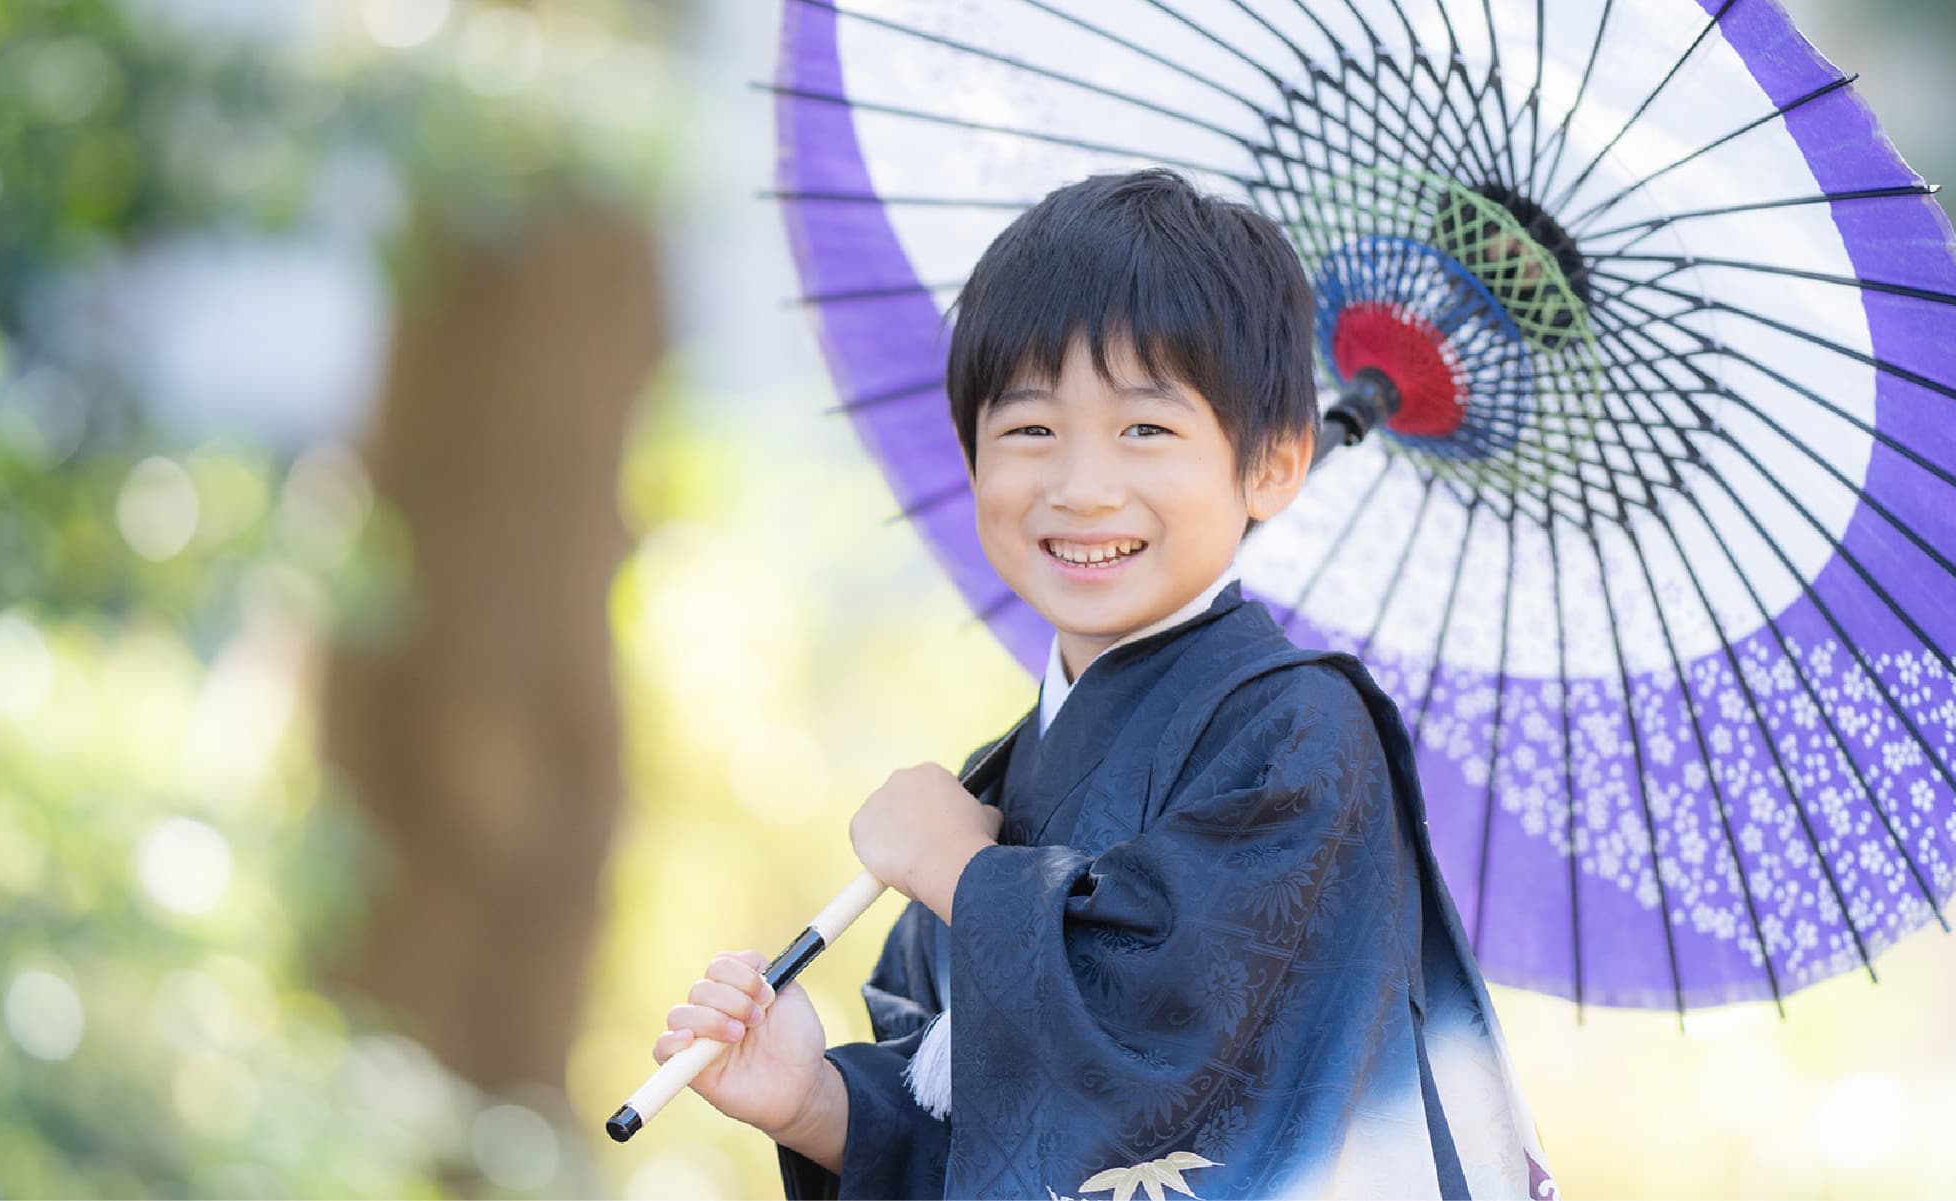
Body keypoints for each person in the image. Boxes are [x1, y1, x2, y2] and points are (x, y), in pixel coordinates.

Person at [651, 169, 1557, 1199]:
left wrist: (960, 874)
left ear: (1272, 463)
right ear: (974, 454)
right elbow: (992, 1139)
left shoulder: (1302, 733)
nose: (1081, 487)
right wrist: (815, 1102)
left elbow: (1178, 1057)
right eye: (1030, 429)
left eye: (1146, 429)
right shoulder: (997, 781)